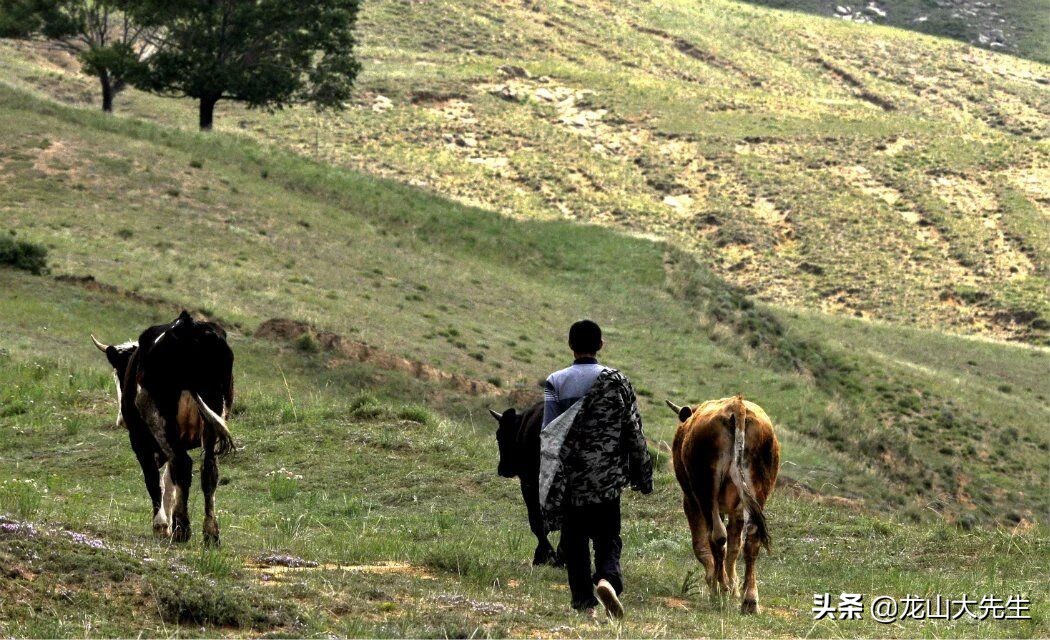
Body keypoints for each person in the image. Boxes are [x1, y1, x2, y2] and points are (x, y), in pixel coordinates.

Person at [538, 319, 653, 620]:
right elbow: (634, 430)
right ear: (600, 345)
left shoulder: (556, 382)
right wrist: (643, 471)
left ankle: (585, 606)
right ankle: (606, 580)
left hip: (572, 482)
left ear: (570, 346)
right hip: (607, 479)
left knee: (574, 543)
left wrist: (547, 484)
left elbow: (549, 435)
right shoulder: (618, 382)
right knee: (608, 538)